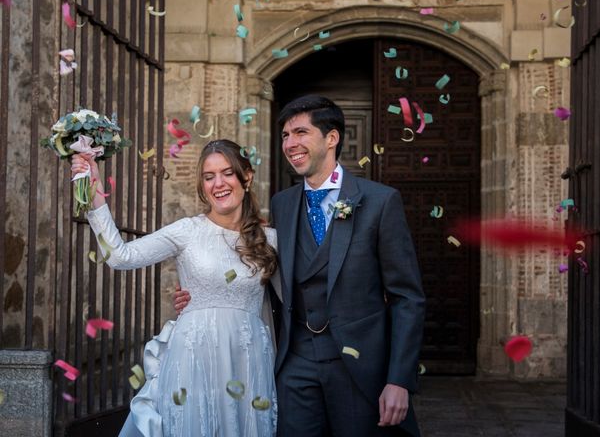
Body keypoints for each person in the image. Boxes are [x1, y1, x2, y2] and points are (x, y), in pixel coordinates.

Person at [175, 95, 426, 436]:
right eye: (285, 136)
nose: (289, 144)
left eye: (300, 132)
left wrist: (399, 379)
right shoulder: (283, 203)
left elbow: (406, 297)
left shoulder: (379, 202)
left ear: (332, 138)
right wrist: (202, 292)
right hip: (295, 363)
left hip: (357, 366)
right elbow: (257, 265)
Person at [71, 139, 279, 436]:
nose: (218, 183)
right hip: (194, 357)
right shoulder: (187, 231)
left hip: (247, 359)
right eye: (209, 177)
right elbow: (120, 256)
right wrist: (94, 194)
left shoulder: (270, 239)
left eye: (227, 173)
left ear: (246, 176)